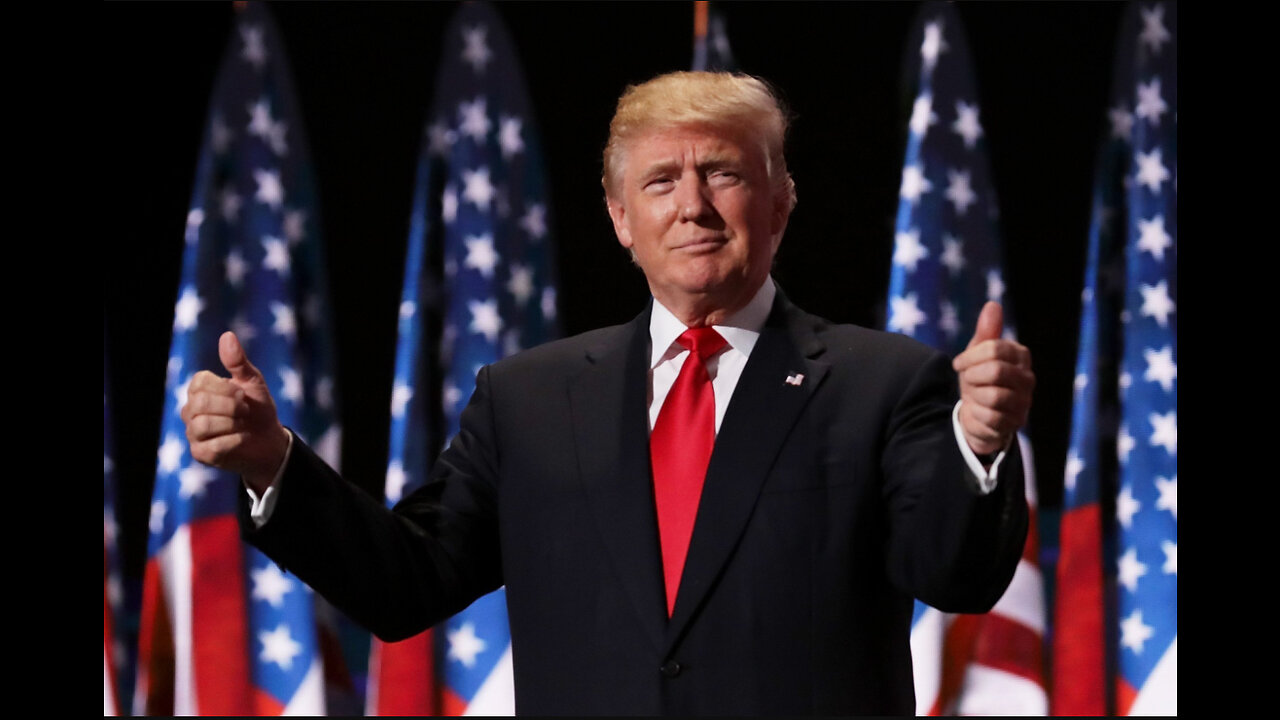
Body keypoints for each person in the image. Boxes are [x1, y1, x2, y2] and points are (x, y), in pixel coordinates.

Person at [182, 71, 1034, 715]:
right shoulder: (528, 399)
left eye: (724, 175)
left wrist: (980, 447)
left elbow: (953, 574)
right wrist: (273, 465)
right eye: (662, 181)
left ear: (780, 204)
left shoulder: (881, 382)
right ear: (622, 218)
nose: (693, 206)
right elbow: (406, 585)